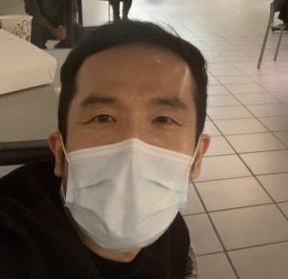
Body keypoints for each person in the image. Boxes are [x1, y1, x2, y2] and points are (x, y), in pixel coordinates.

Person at [0, 20, 211, 278]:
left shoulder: (174, 238)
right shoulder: (13, 243)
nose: (132, 147)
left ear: (197, 158)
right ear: (60, 153)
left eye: (163, 119)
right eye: (102, 118)